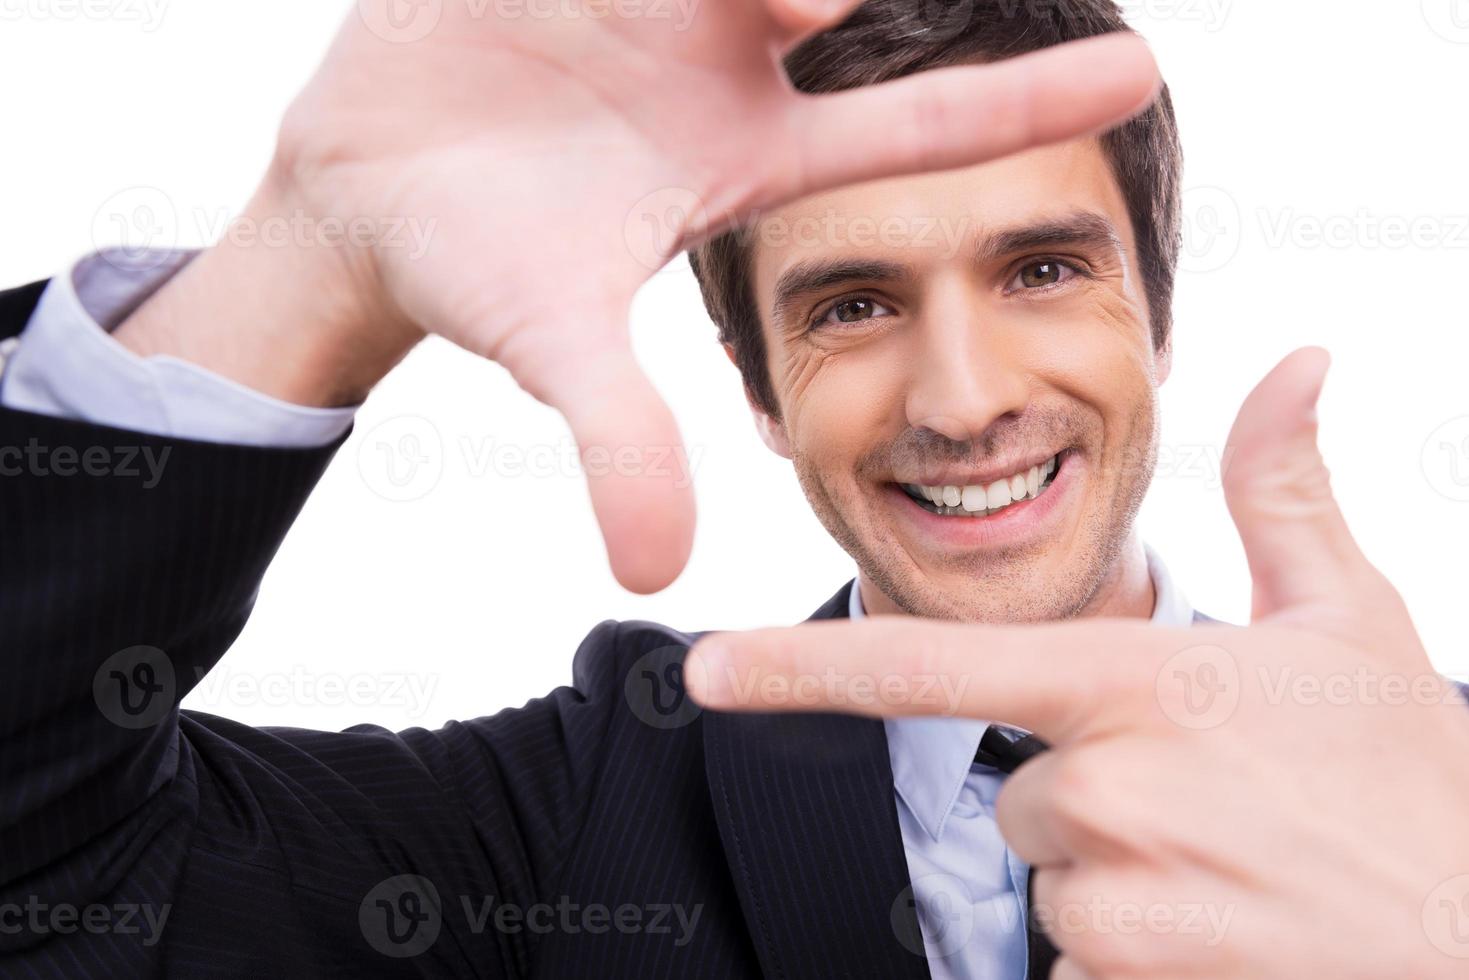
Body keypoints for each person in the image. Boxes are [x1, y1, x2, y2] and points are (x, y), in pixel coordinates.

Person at [1, 2, 1461, 980]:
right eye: (850, 305)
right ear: (758, 388)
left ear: (1155, 311)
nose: (961, 399)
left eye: (1040, 270)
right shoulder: (571, 819)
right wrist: (308, 260)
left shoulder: (1439, 799)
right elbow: (48, 869)